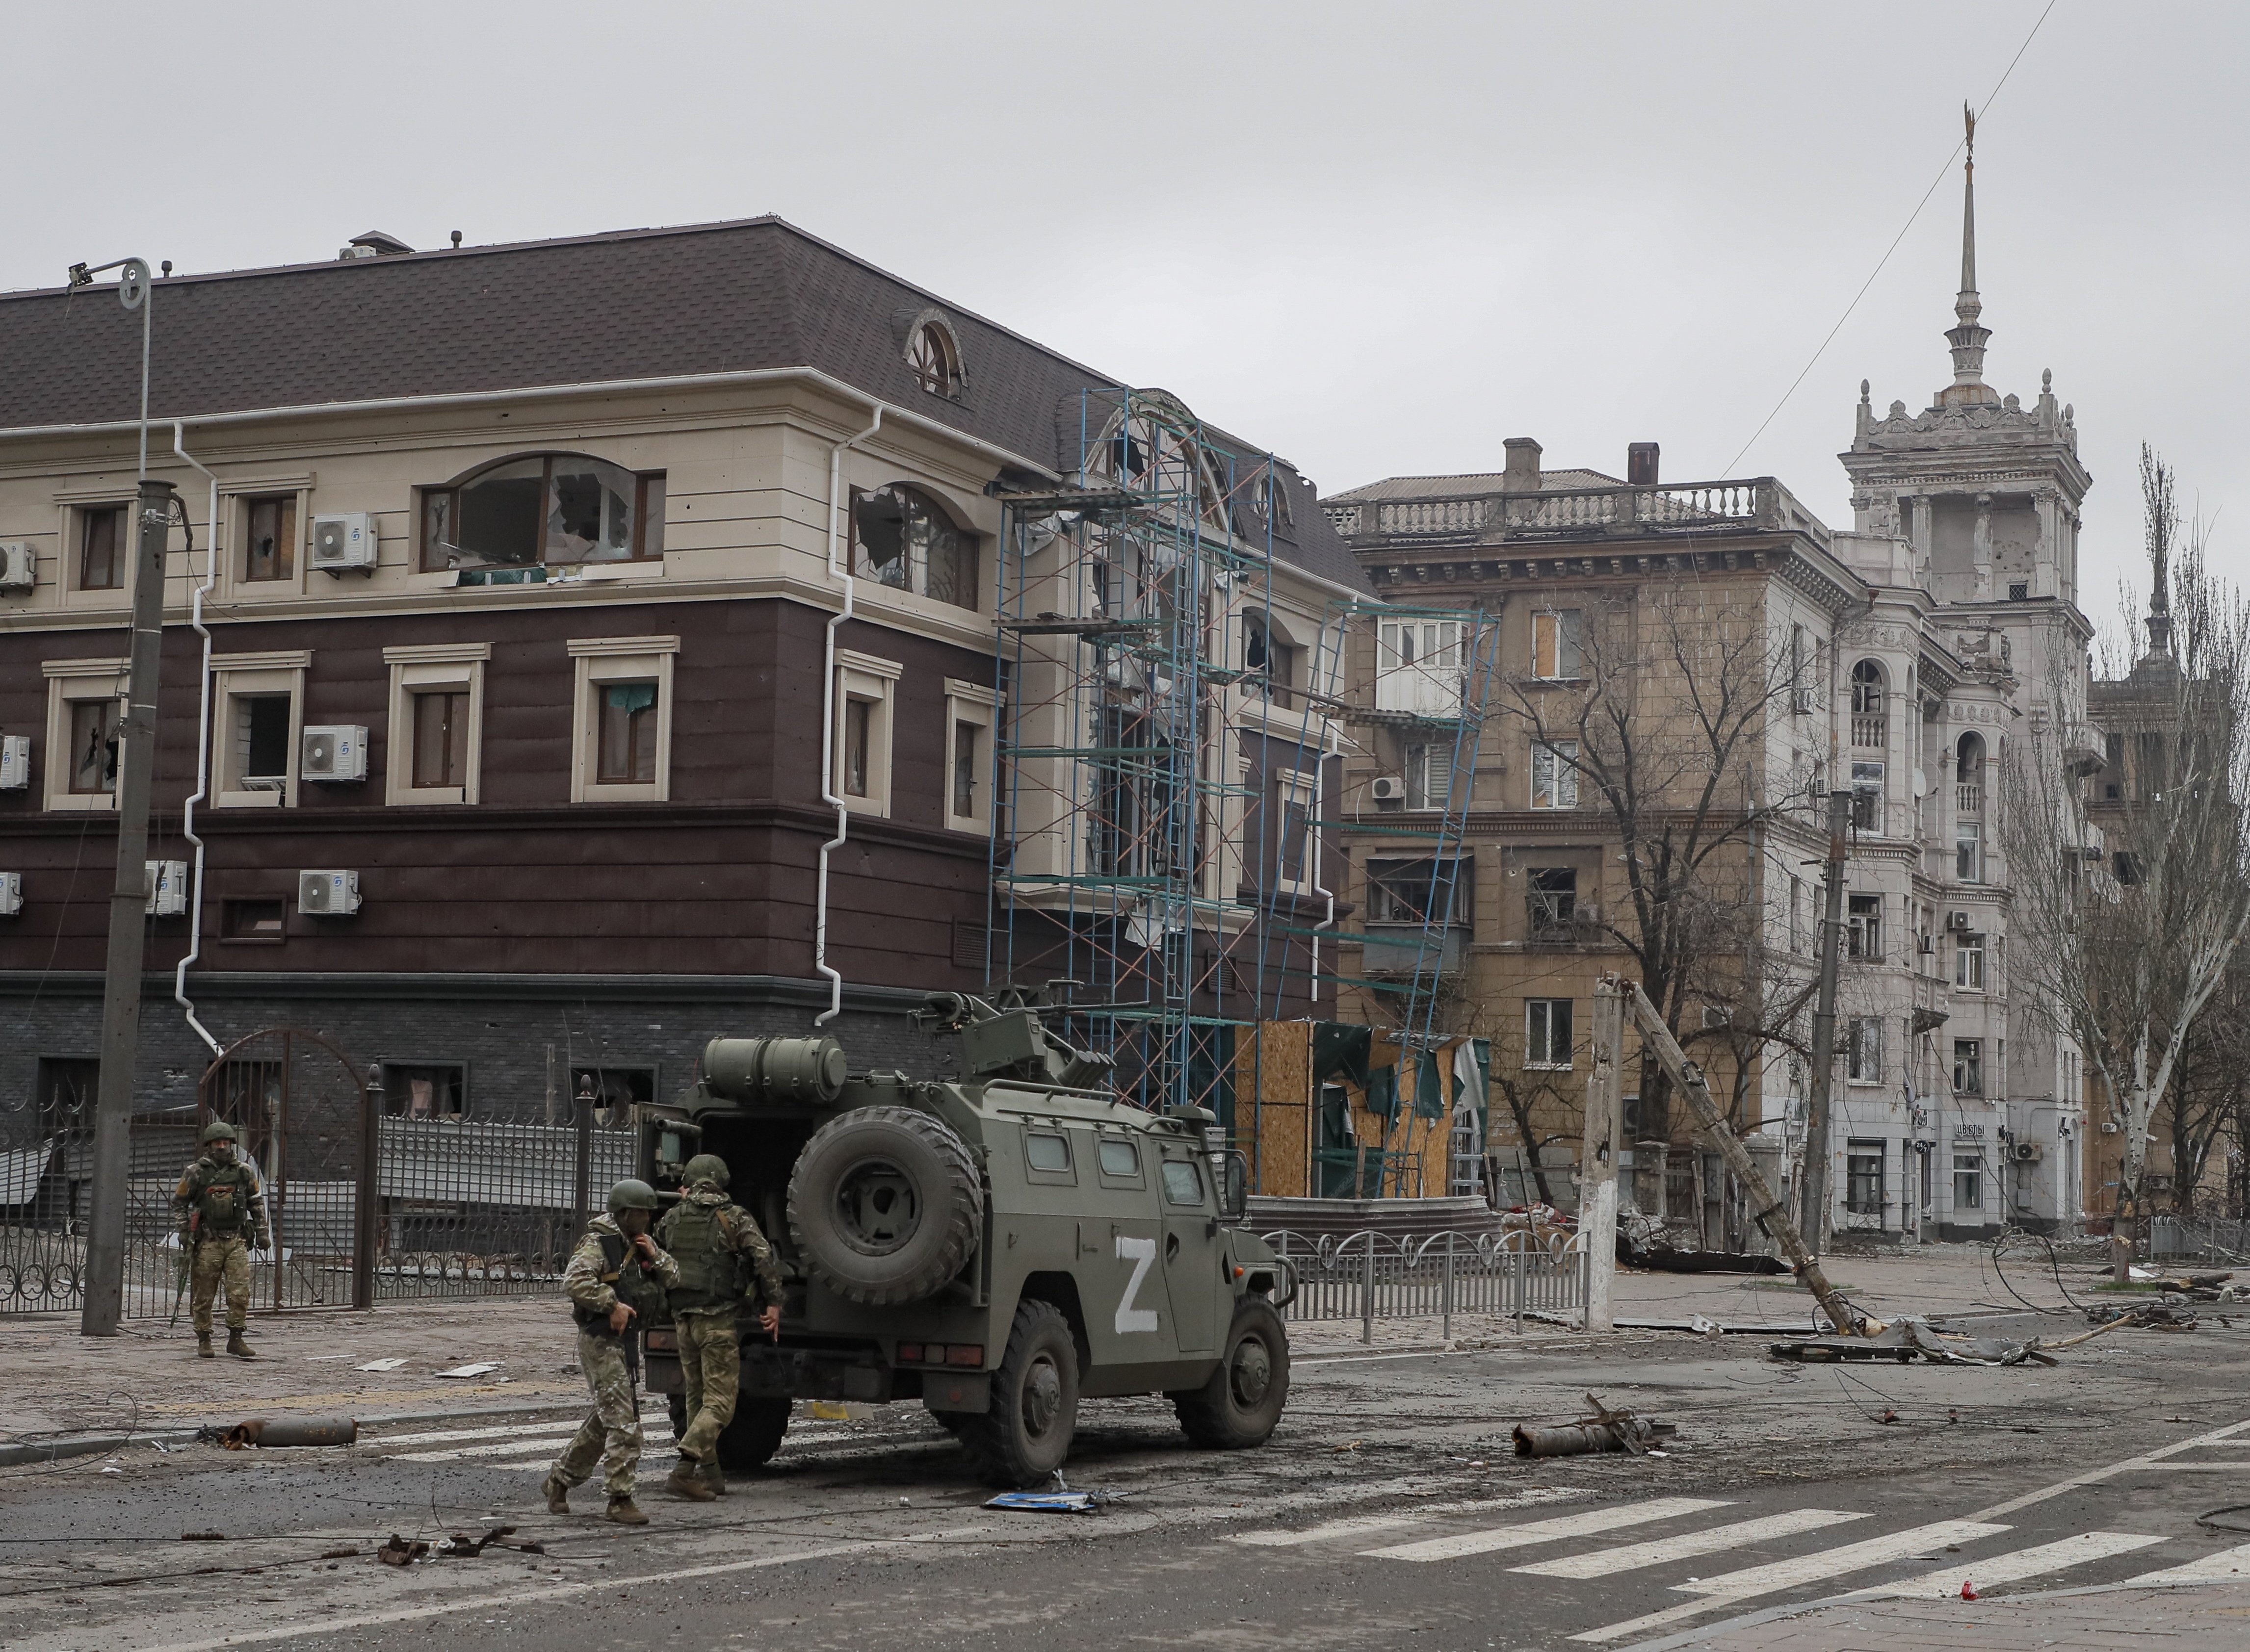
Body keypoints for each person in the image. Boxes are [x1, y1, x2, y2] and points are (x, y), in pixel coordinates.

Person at [543, 1179, 680, 1525]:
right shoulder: (599, 1243)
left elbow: (677, 1279)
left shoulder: (639, 1244)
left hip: (625, 1342)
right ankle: (620, 1499)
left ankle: (559, 1480)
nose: (647, 1218)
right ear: (624, 1213)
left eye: (650, 1213)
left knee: (606, 1421)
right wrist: (611, 1304)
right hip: (601, 1340)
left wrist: (655, 1254)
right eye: (641, 1213)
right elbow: (574, 1282)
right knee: (624, 1422)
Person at [654, 1153, 784, 1500]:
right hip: (716, 1321)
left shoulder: (673, 1216)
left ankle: (711, 1477)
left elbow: (657, 1246)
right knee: (722, 1403)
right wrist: (773, 1303)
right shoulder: (734, 1216)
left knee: (696, 1398)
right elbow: (763, 1257)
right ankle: (684, 1470)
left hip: (683, 1321)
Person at [172, 1120, 270, 1360]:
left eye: (226, 1142)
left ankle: (236, 1338)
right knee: (204, 1293)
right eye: (218, 1143)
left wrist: (263, 1231)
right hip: (208, 1241)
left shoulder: (244, 1172)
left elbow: (256, 1202)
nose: (222, 1147)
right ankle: (204, 1338)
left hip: (236, 1240)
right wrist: (184, 1230)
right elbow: (180, 1203)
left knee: (239, 1292)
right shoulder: (195, 1172)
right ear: (209, 1145)